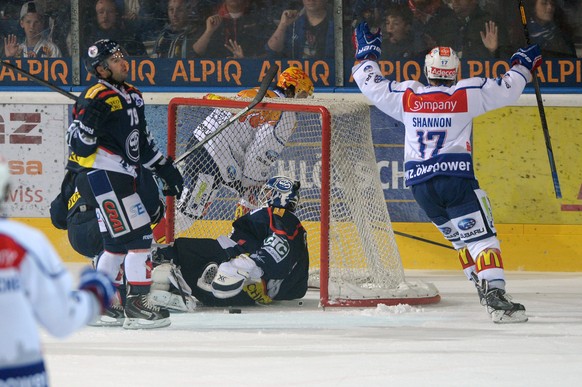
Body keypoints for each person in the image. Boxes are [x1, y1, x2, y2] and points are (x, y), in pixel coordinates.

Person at [352, 21, 540, 323]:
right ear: (455, 72)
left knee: (460, 241)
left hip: (421, 190)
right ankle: (496, 298)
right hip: (456, 182)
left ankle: (479, 285)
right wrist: (524, 64)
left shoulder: (408, 97)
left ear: (426, 71)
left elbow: (369, 82)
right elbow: (508, 89)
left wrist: (366, 53)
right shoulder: (466, 94)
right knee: (483, 240)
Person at [65, 38, 184, 329]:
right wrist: (86, 127)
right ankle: (137, 305)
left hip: (121, 177)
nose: (123, 62)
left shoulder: (132, 95)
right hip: (105, 175)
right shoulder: (95, 96)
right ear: (102, 69)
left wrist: (164, 169)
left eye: (121, 56)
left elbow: (140, 144)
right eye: (115, 59)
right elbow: (78, 145)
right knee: (141, 238)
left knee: (115, 245)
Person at [0, 155, 115, 385]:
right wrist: (94, 296)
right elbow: (62, 318)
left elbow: (58, 215)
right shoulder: (25, 242)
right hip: (20, 376)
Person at [149, 175, 309, 310]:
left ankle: (146, 279)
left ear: (280, 195)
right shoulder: (284, 221)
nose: (264, 196)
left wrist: (250, 266)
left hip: (238, 268)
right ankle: (171, 291)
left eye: (268, 193)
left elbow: (281, 245)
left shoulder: (280, 215)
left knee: (181, 250)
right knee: (192, 268)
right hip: (240, 282)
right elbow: (296, 285)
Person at [176, 66, 314, 220]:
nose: (303, 101)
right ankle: (151, 241)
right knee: (185, 217)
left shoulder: (256, 92)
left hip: (202, 144)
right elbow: (260, 152)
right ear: (291, 88)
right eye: (302, 94)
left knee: (190, 211)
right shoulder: (285, 113)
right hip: (214, 156)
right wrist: (251, 187)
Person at [192, 0, 264, 58]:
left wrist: (245, 61)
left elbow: (266, 55)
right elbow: (193, 55)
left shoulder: (258, 20)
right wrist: (208, 32)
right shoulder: (208, 17)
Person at [265, 0, 334, 59]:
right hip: (296, 73)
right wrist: (283, 25)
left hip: (330, 73)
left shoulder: (338, 24)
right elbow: (272, 53)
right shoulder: (293, 23)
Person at [83, 0, 147, 57]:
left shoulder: (130, 39)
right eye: (101, 12)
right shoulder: (86, 41)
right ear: (95, 15)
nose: (105, 16)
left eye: (110, 12)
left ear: (117, 14)